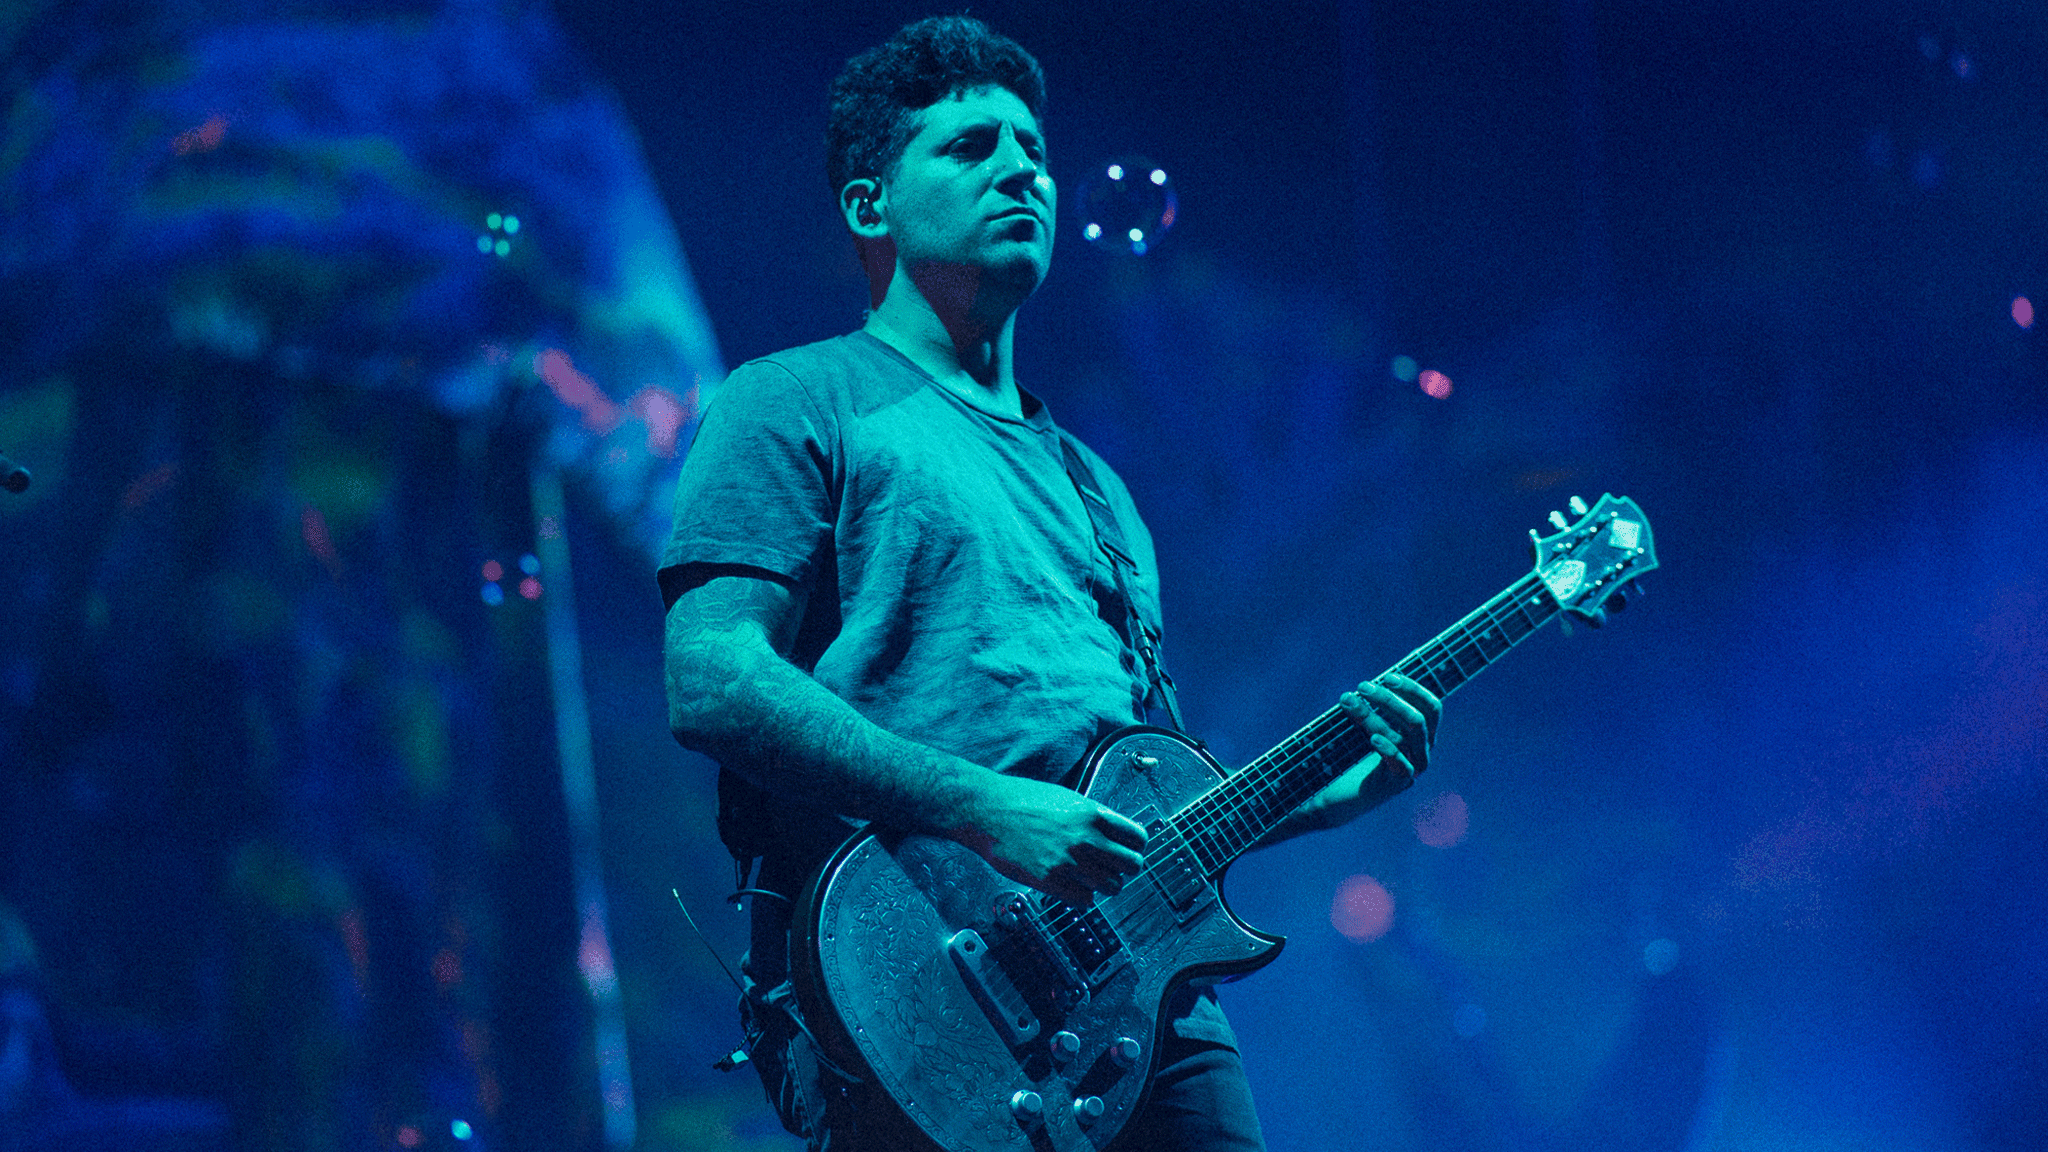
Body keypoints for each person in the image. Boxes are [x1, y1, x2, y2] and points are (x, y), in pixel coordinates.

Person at [660, 16, 1440, 1151]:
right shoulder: (793, 400)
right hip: (918, 988)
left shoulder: (1101, 495)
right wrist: (985, 806)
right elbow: (711, 680)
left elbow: (1133, 815)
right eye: (970, 147)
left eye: (1030, 146)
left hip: (1145, 1017)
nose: (1021, 167)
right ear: (870, 206)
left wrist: (1310, 807)